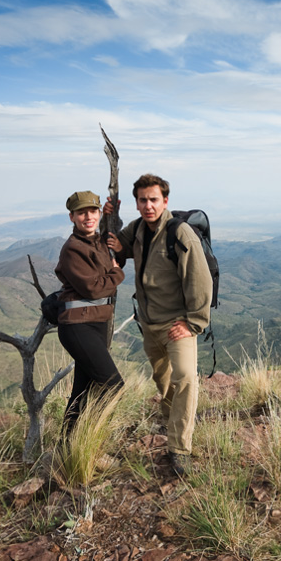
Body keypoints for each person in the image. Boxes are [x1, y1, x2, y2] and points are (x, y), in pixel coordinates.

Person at [105, 174, 212, 477]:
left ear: (165, 201)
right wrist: (108, 217)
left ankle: (179, 448)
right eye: (143, 200)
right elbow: (118, 248)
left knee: (186, 378)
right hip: (149, 323)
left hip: (177, 324)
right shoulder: (138, 228)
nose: (148, 205)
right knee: (162, 380)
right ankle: (173, 418)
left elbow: (201, 281)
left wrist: (193, 323)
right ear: (136, 203)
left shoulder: (181, 234)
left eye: (154, 199)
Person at [55, 190, 126, 444]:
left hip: (96, 322)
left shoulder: (98, 242)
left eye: (93, 211)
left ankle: (68, 445)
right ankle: (93, 441)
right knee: (113, 385)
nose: (88, 217)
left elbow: (110, 265)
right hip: (78, 326)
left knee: (82, 392)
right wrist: (117, 276)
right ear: (72, 217)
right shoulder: (72, 249)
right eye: (82, 212)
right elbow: (94, 287)